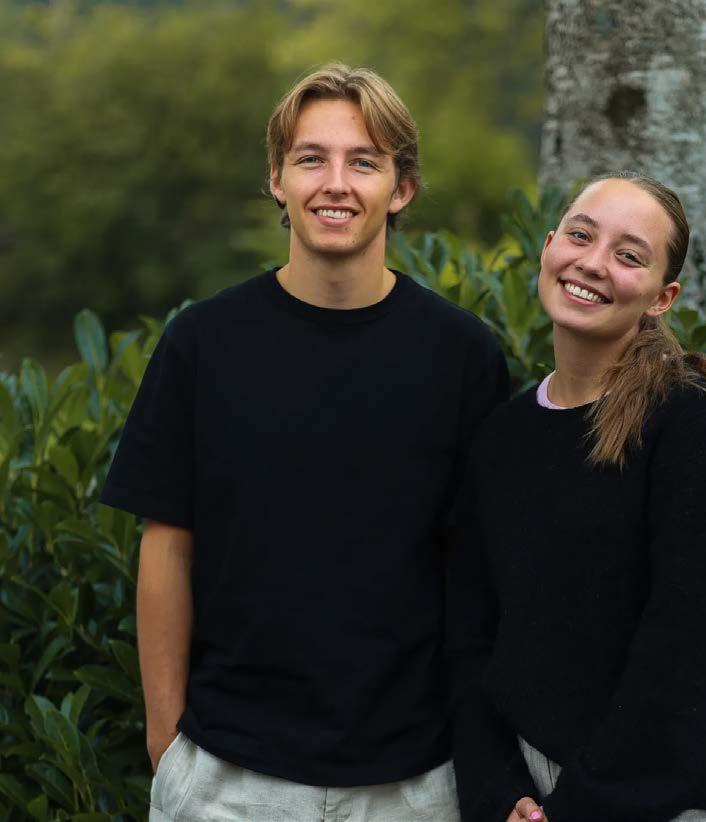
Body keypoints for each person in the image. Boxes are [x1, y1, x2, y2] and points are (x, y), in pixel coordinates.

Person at [100, 63, 508, 820]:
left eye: (364, 162)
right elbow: (168, 547)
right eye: (311, 158)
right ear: (277, 180)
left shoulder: (464, 357)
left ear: (402, 188)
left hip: (414, 785)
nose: (336, 183)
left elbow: (477, 576)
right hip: (227, 778)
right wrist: (167, 746)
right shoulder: (203, 343)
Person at [447, 172, 706, 822]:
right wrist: (497, 787)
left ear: (662, 296)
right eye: (580, 236)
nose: (594, 263)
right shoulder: (504, 436)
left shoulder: (687, 421)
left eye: (629, 255)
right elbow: (470, 635)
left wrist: (587, 806)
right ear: (547, 246)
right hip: (530, 796)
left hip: (662, 801)